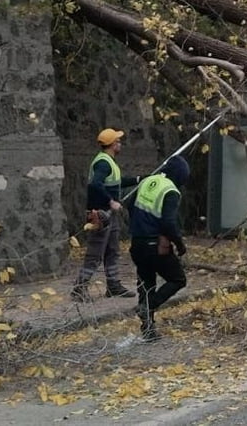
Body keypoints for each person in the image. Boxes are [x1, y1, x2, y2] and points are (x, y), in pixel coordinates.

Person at [124, 155, 190, 342]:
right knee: (177, 279)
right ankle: (148, 306)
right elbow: (168, 223)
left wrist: (140, 227)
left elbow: (130, 206)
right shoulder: (171, 191)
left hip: (137, 243)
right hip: (155, 245)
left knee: (146, 284)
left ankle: (148, 331)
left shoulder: (148, 181)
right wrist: (179, 244)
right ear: (180, 177)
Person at [72, 128, 142, 301]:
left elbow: (117, 183)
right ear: (112, 144)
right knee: (95, 253)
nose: (120, 143)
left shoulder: (109, 162)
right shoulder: (103, 163)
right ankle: (79, 288)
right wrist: (111, 201)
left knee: (112, 251)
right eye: (118, 141)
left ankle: (113, 286)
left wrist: (140, 179)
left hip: (108, 215)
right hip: (100, 215)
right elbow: (95, 184)